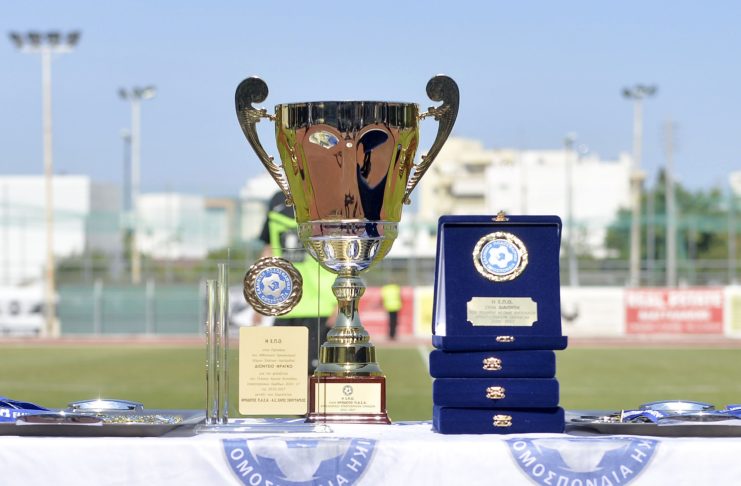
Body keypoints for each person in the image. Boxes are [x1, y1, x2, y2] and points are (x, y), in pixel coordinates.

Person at [258, 191, 336, 373]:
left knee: (314, 374)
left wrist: (341, 304)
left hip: (320, 306)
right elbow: (268, 249)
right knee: (283, 374)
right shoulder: (277, 200)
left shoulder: (324, 197)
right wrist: (258, 296)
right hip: (284, 305)